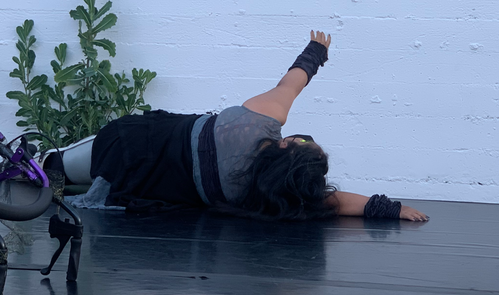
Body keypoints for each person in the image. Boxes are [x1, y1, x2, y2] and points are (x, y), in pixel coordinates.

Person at [51, 31, 428, 222]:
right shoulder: (271, 197)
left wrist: (316, 51)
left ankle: (39, 169)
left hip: (131, 147)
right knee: (63, 178)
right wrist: (390, 209)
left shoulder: (258, 122)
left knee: (54, 167)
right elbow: (337, 201)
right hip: (140, 186)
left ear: (286, 145)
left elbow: (291, 83)